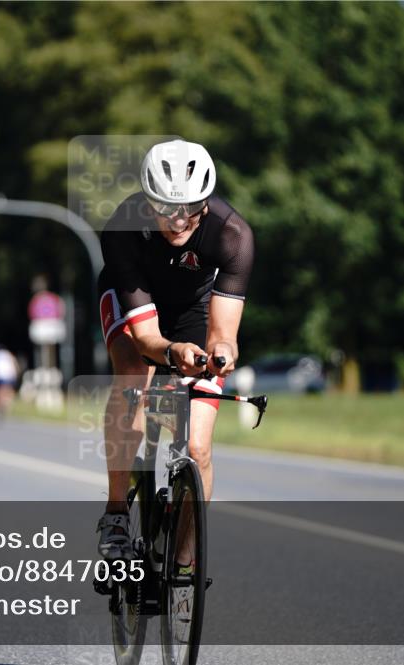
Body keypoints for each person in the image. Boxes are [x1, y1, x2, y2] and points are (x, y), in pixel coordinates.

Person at [95, 139, 255, 578]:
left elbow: (224, 336)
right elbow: (146, 336)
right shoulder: (122, 228)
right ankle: (114, 515)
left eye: (191, 207)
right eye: (166, 207)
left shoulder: (233, 235)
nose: (179, 219)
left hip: (191, 309)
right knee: (132, 371)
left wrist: (220, 354)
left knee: (199, 447)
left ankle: (183, 561)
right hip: (134, 299)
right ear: (148, 203)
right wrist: (171, 352)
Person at [0, 344, 19, 417]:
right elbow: (15, 364)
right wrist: (17, 374)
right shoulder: (8, 354)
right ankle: (6, 405)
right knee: (8, 390)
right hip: (9, 374)